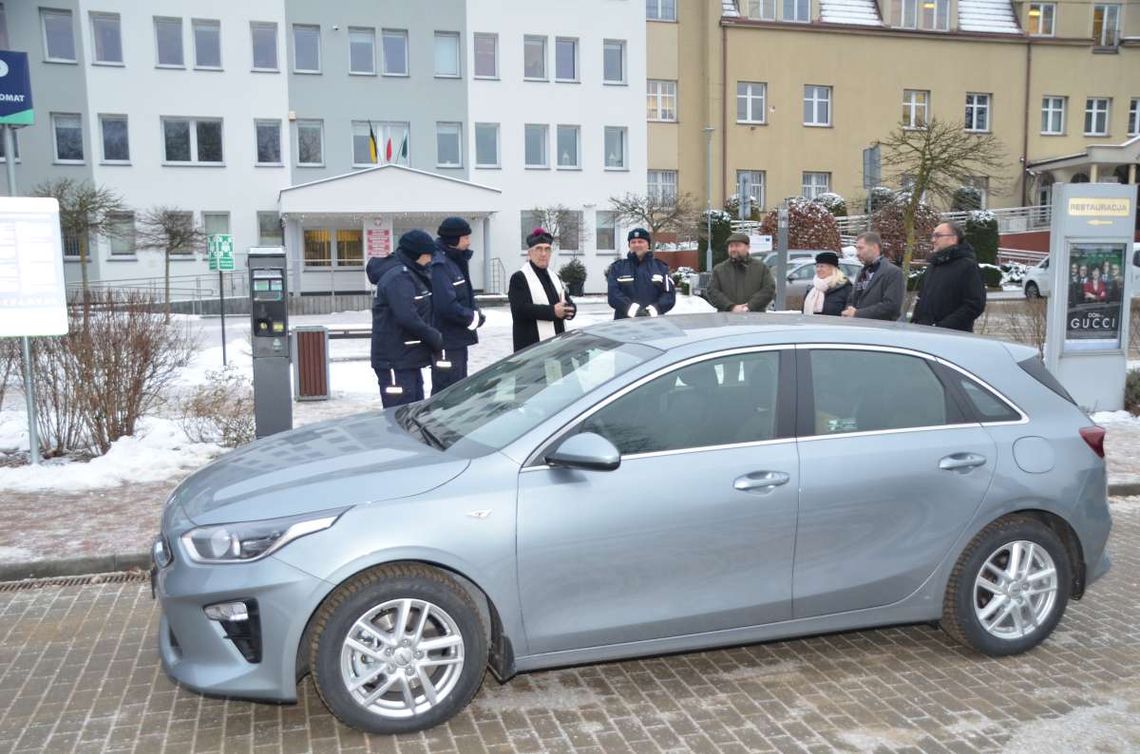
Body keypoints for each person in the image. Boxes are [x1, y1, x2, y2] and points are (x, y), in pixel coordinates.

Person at [367, 230, 443, 407]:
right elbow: (407, 316)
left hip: (407, 359)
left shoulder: (409, 273)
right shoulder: (398, 277)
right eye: (427, 255)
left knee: (413, 411)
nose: (430, 260)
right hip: (395, 360)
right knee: (400, 415)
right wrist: (434, 336)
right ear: (417, 255)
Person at [429, 216, 485, 395]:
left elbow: (463, 295)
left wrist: (474, 312)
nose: (469, 242)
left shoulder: (455, 260)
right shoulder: (440, 265)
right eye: (466, 238)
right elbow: (446, 305)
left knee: (458, 388)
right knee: (447, 392)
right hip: (446, 341)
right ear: (454, 239)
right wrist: (472, 317)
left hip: (457, 339)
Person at [508, 228, 576, 352]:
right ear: (530, 253)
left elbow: (565, 300)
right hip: (531, 344)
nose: (543, 254)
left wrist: (570, 309)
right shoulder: (519, 277)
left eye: (547, 249)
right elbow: (520, 310)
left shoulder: (554, 276)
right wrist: (553, 311)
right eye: (538, 249)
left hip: (556, 342)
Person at [911, 222, 986, 332]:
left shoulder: (967, 266)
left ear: (953, 238)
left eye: (938, 236)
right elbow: (922, 298)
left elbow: (975, 304)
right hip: (925, 334)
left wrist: (943, 327)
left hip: (952, 338)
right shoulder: (933, 266)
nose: (933, 240)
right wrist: (915, 321)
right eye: (932, 236)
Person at [606, 228, 676, 319]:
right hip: (624, 323)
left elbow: (669, 296)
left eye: (640, 241)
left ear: (648, 245)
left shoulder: (661, 268)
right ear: (629, 245)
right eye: (633, 242)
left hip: (654, 323)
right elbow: (613, 295)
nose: (637, 245)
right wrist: (634, 310)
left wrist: (652, 311)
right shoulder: (618, 268)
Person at [841, 231, 904, 320]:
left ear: (874, 247)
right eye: (857, 248)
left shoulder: (893, 272)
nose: (857, 253)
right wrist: (849, 311)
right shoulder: (862, 271)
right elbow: (852, 299)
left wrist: (858, 313)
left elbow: (891, 307)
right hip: (857, 327)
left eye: (861, 248)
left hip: (879, 330)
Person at [706, 232, 775, 313]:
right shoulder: (719, 269)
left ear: (748, 247)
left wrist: (750, 306)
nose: (733, 249)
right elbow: (713, 291)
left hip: (755, 318)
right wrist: (731, 307)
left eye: (737, 245)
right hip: (726, 319)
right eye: (731, 246)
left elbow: (768, 289)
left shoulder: (761, 268)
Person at [803, 252, 852, 316]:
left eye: (822, 266)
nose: (818, 269)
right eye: (817, 266)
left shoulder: (845, 288)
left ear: (833, 268)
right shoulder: (812, 289)